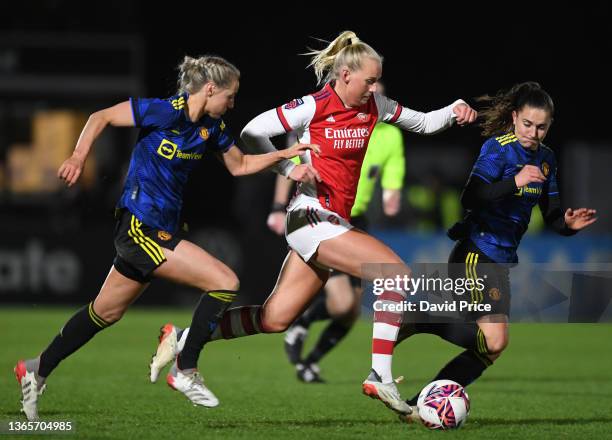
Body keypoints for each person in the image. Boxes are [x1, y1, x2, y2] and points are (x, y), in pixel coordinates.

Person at [149, 31, 477, 415]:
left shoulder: (376, 105)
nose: (374, 88)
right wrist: (289, 167)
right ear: (344, 75)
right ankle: (379, 377)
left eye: (377, 81)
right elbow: (253, 132)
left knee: (275, 319)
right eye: (369, 80)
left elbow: (423, 123)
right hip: (311, 217)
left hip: (332, 221)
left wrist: (453, 110)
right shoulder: (313, 105)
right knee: (396, 277)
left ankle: (184, 340)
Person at [14, 55, 316, 421]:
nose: (232, 103)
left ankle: (36, 368)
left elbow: (240, 166)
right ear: (210, 89)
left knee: (104, 312)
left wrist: (284, 157)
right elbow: (102, 117)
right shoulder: (163, 111)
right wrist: (79, 157)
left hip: (163, 228)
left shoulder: (211, 127)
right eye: (231, 95)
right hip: (139, 226)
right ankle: (185, 370)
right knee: (225, 281)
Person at [395, 81, 597, 422]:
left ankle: (418, 406)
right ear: (515, 118)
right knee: (493, 340)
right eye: (528, 124)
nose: (534, 132)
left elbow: (550, 214)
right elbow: (470, 197)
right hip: (476, 251)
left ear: (550, 126)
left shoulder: (547, 160)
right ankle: (420, 318)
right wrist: (513, 182)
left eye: (542, 126)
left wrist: (566, 223)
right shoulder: (498, 149)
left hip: (499, 260)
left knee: (491, 348)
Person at [266, 81, 406, 383]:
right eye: (367, 86)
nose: (370, 94)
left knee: (350, 312)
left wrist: (392, 194)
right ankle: (301, 323)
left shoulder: (389, 134)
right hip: (323, 218)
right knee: (341, 303)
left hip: (356, 219)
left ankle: (310, 361)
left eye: (376, 89)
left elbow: (393, 170)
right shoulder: (327, 120)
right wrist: (278, 207)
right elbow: (291, 162)